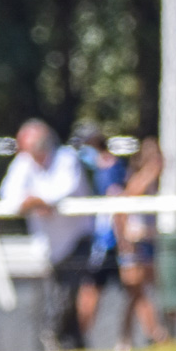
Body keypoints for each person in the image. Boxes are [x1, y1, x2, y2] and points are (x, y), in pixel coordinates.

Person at [0, 119, 94, 351]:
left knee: (70, 295)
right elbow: (8, 196)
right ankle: (66, 342)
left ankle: (63, 338)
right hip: (48, 244)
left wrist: (35, 200)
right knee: (58, 296)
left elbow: (64, 190)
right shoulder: (23, 163)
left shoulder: (66, 158)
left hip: (77, 238)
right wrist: (32, 202)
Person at [114, 137, 171, 351]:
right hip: (133, 244)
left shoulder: (154, 183)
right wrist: (125, 243)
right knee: (136, 291)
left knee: (138, 293)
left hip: (146, 241)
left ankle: (131, 338)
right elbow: (125, 204)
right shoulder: (141, 178)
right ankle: (155, 334)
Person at [73, 124, 129, 340]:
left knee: (92, 289)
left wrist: (122, 241)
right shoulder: (101, 169)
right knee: (134, 291)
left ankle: (80, 336)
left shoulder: (111, 169)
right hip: (107, 240)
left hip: (108, 242)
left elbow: (116, 206)